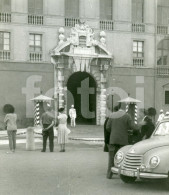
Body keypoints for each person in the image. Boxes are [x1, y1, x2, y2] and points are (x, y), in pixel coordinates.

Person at [106, 104, 138, 179]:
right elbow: (133, 127)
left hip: (113, 139)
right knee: (123, 158)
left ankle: (109, 175)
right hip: (123, 141)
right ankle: (123, 175)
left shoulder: (112, 115)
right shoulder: (127, 116)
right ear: (124, 108)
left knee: (111, 158)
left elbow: (107, 127)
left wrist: (114, 131)